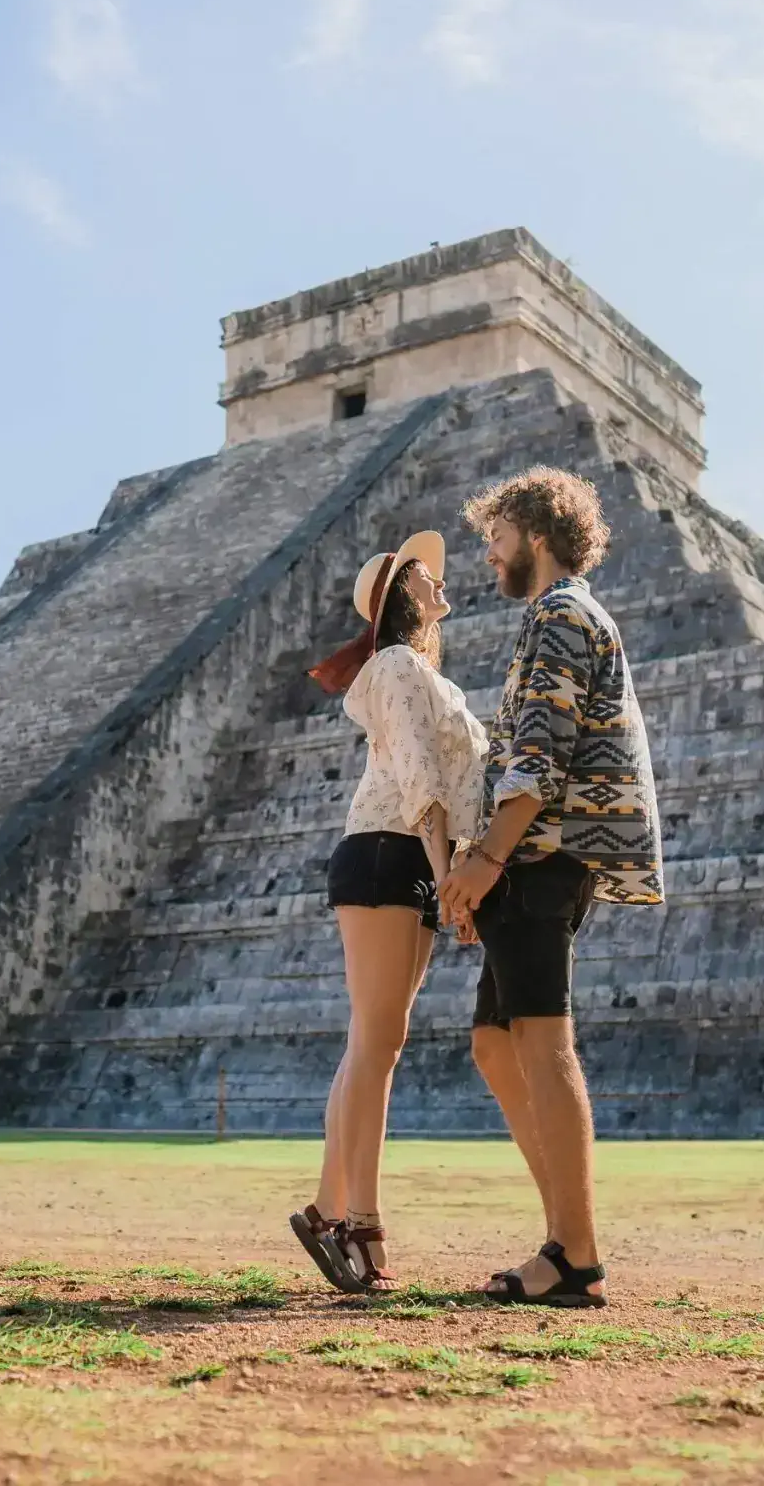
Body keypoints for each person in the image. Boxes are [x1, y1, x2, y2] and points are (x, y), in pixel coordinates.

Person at [436, 467, 662, 1309]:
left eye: (495, 539)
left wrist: (484, 859)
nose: (488, 559)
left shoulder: (561, 615)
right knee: (496, 1046)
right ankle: (566, 1232)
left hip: (537, 859)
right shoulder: (559, 617)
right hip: (528, 862)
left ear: (533, 533)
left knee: (542, 1042)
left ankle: (575, 1253)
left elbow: (538, 758)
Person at [291, 529, 486, 1293]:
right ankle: (359, 1222)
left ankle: (327, 1207)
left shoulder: (417, 670)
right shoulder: (398, 664)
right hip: (386, 848)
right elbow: (419, 771)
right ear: (405, 595)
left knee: (377, 1042)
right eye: (425, 578)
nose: (440, 583)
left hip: (404, 853)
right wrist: (449, 875)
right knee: (375, 1044)